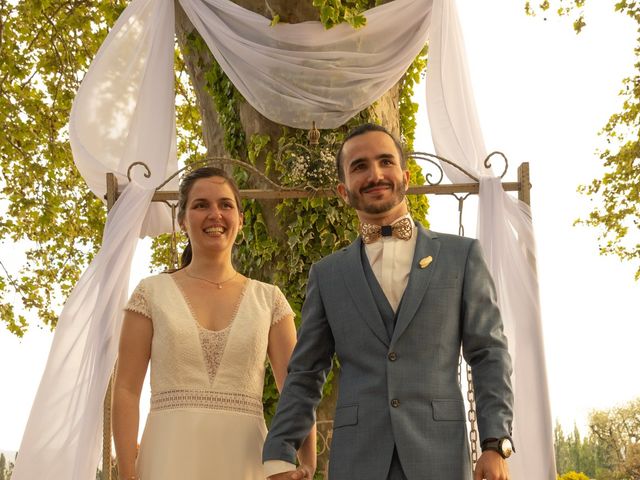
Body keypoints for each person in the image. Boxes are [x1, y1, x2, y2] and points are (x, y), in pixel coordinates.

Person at [263, 124, 514, 480]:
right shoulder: (328, 274)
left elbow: (489, 352)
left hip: (439, 455)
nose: (375, 174)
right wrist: (279, 451)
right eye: (359, 166)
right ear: (343, 190)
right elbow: (304, 373)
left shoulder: (462, 256)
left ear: (405, 176)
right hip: (357, 459)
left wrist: (494, 442)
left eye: (385, 161)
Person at [112, 166, 316, 480]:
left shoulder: (269, 300)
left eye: (225, 204)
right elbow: (126, 389)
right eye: (200, 205)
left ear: (241, 219)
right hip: (167, 459)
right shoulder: (150, 293)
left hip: (247, 462)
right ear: (182, 220)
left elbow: (295, 388)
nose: (215, 214)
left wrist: (307, 464)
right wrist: (126, 473)